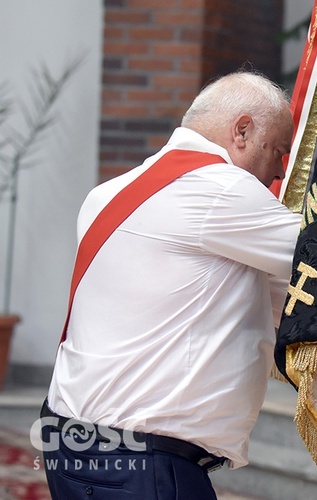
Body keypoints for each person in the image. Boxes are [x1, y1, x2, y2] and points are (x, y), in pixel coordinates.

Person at [40, 70, 302, 499]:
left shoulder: (107, 193)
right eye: (276, 150)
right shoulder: (222, 189)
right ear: (241, 130)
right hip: (142, 463)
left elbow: (258, 295)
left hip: (66, 438)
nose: (278, 170)